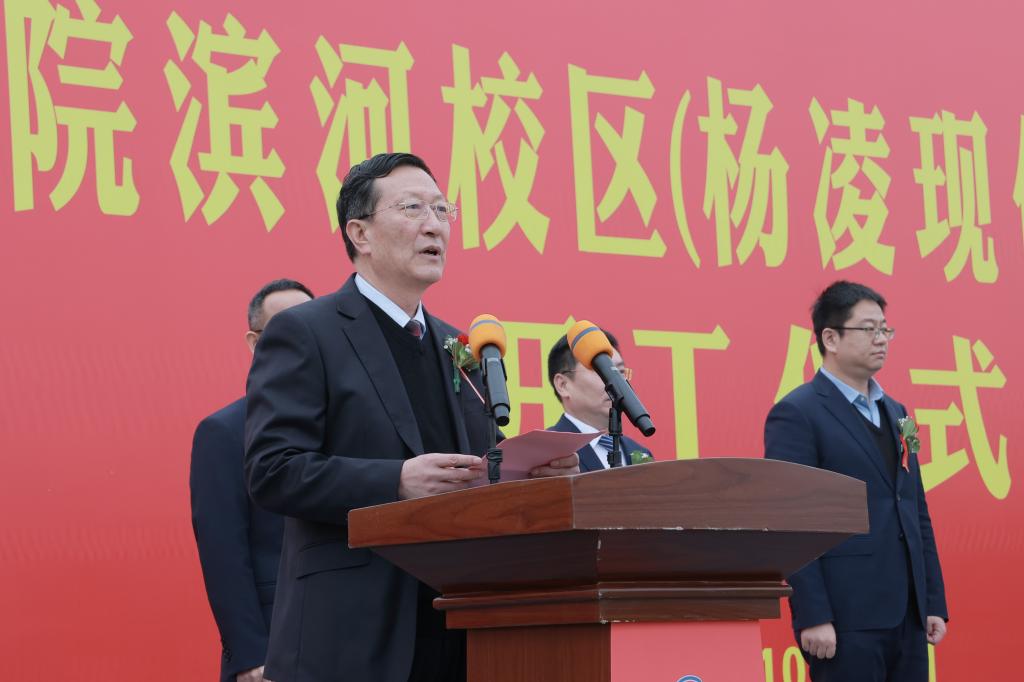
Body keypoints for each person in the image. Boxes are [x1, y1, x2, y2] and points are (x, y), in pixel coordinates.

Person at [244, 152, 579, 682]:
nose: (434, 225)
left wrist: (529, 476)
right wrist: (395, 481)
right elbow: (273, 470)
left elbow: (480, 466)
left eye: (443, 209)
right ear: (360, 233)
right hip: (351, 633)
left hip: (461, 622)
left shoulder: (458, 345)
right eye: (413, 208)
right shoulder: (307, 332)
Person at [764, 280, 948, 681]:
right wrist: (813, 614)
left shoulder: (897, 412)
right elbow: (792, 522)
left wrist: (932, 600)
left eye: (885, 329)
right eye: (868, 329)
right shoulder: (798, 413)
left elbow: (914, 509)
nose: (881, 339)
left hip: (908, 615)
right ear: (830, 338)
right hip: (846, 617)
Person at [190, 279, 314, 682]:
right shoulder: (225, 431)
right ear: (255, 343)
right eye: (286, 328)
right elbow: (223, 552)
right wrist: (249, 655)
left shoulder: (345, 425)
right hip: (271, 649)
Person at [546, 329, 652, 470]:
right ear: (563, 385)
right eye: (602, 370)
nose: (616, 382)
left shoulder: (640, 454)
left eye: (620, 371)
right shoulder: (547, 453)